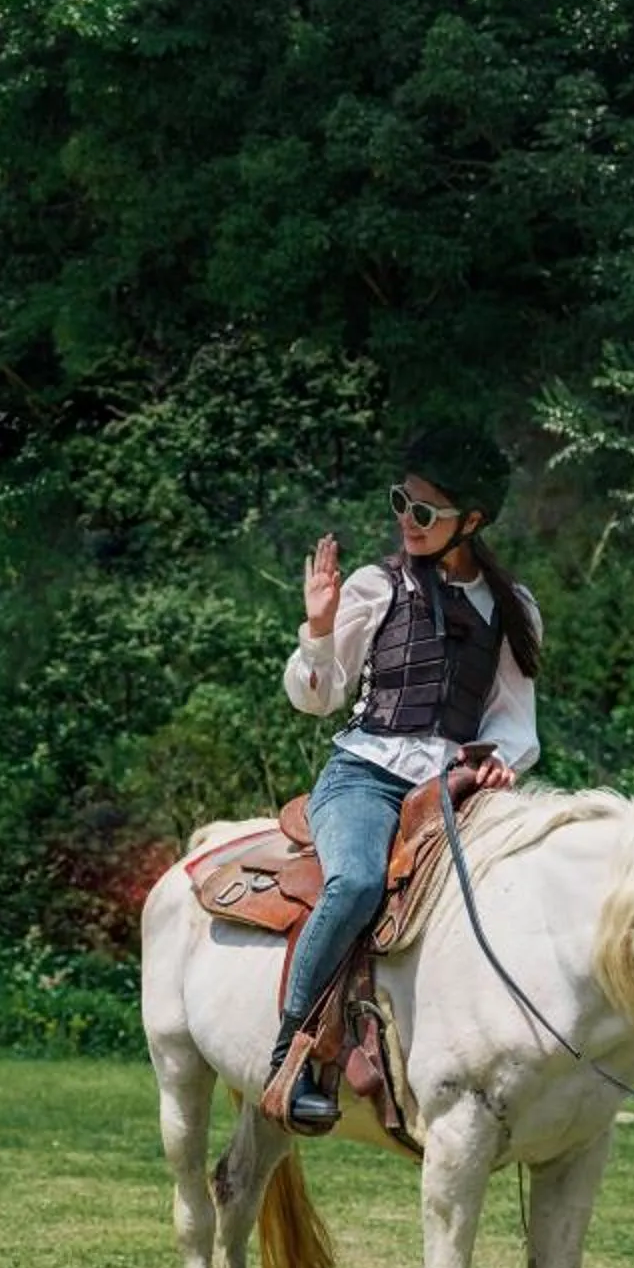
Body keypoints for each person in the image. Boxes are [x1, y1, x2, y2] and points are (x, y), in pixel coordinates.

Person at [261, 417, 541, 1133]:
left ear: (470, 521)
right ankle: (291, 1054)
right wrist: (318, 629)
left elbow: (514, 721)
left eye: (424, 511)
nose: (406, 521)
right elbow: (317, 698)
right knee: (356, 882)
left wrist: (500, 761)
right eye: (401, 503)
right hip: (365, 776)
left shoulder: (513, 608)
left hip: (454, 790)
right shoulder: (374, 586)